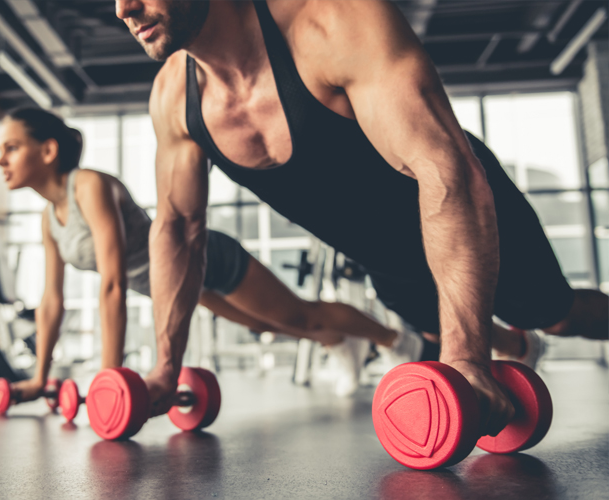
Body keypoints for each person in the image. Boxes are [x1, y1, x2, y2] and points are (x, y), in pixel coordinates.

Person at [115, 0, 609, 435]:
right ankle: (516, 347)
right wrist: (164, 370)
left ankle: (523, 335)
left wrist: (466, 360)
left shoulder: (330, 21)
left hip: (466, 215)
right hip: (385, 262)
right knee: (434, 331)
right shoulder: (173, 99)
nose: (123, 8)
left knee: (557, 315)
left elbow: (444, 171)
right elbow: (179, 228)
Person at [0, 107, 426, 401]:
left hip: (205, 257)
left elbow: (112, 282)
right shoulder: (48, 219)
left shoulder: (88, 186)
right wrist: (39, 377)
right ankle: (337, 343)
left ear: (49, 151)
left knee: (298, 316)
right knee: (263, 324)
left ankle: (394, 339)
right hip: (176, 284)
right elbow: (51, 302)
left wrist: (111, 377)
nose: (1, 159)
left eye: (11, 147)